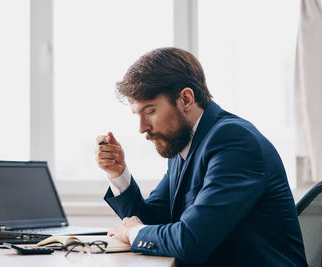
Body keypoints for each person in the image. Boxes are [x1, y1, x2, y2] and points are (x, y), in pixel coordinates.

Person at [95, 47, 307, 266]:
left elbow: (190, 240)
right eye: (137, 115)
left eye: (150, 111)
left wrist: (133, 233)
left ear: (186, 99)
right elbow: (152, 221)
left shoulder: (234, 141)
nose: (142, 128)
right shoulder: (184, 144)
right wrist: (118, 174)